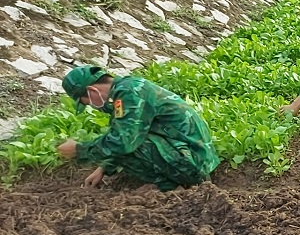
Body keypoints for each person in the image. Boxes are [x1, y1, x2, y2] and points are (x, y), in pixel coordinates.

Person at [56, 66, 219, 191]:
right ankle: (180, 185)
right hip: (191, 156)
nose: (93, 106)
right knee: (124, 144)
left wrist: (79, 150)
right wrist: (104, 168)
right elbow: (131, 133)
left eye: (87, 102)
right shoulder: (129, 88)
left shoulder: (129, 94)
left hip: (193, 162)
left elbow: (122, 142)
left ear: (92, 91)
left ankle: (174, 189)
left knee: (127, 146)